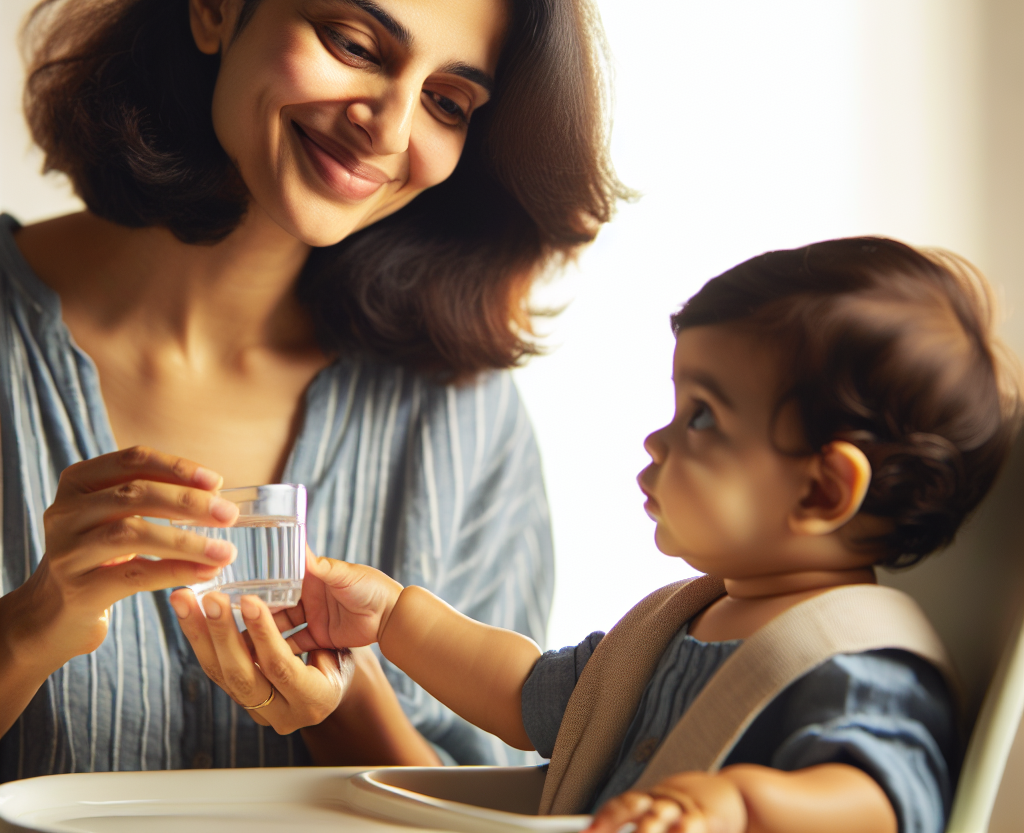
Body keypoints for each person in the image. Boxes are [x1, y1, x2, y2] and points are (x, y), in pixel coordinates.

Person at [0, 0, 625, 778]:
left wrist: (340, 705)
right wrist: (28, 628)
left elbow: (490, 810)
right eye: (356, 41)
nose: (387, 128)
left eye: (448, 102)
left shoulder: (461, 423)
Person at [272, 237, 1021, 833]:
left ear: (822, 489)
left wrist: (740, 806)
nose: (658, 441)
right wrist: (392, 616)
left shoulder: (855, 663)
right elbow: (526, 692)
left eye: (703, 417)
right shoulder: (672, 626)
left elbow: (879, 798)